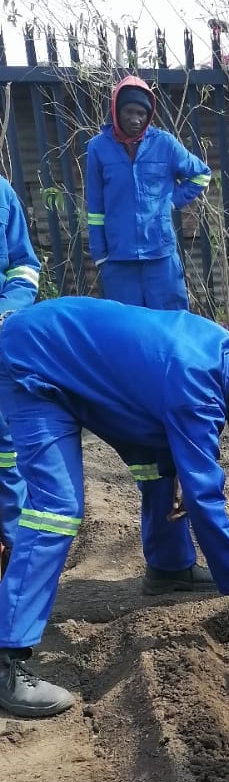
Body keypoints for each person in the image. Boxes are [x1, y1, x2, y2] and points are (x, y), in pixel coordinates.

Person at [0, 298, 229, 718]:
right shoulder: (194, 385)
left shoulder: (224, 350)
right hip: (34, 364)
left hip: (75, 363)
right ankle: (7, 657)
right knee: (57, 508)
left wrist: (185, 466)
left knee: (159, 463)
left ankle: (169, 566)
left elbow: (184, 426)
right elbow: (205, 499)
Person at [86, 75, 212, 311]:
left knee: (171, 325)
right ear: (116, 111)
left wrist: (171, 202)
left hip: (161, 256)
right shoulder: (98, 148)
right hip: (118, 259)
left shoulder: (164, 144)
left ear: (149, 115)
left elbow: (201, 174)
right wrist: (100, 255)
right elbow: (95, 207)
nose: (135, 119)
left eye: (141, 114)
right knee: (126, 330)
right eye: (129, 112)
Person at [0, 178, 42, 575]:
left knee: (6, 455)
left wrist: (8, 310)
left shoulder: (3, 194)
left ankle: (14, 561)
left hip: (0, 341)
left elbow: (25, 266)